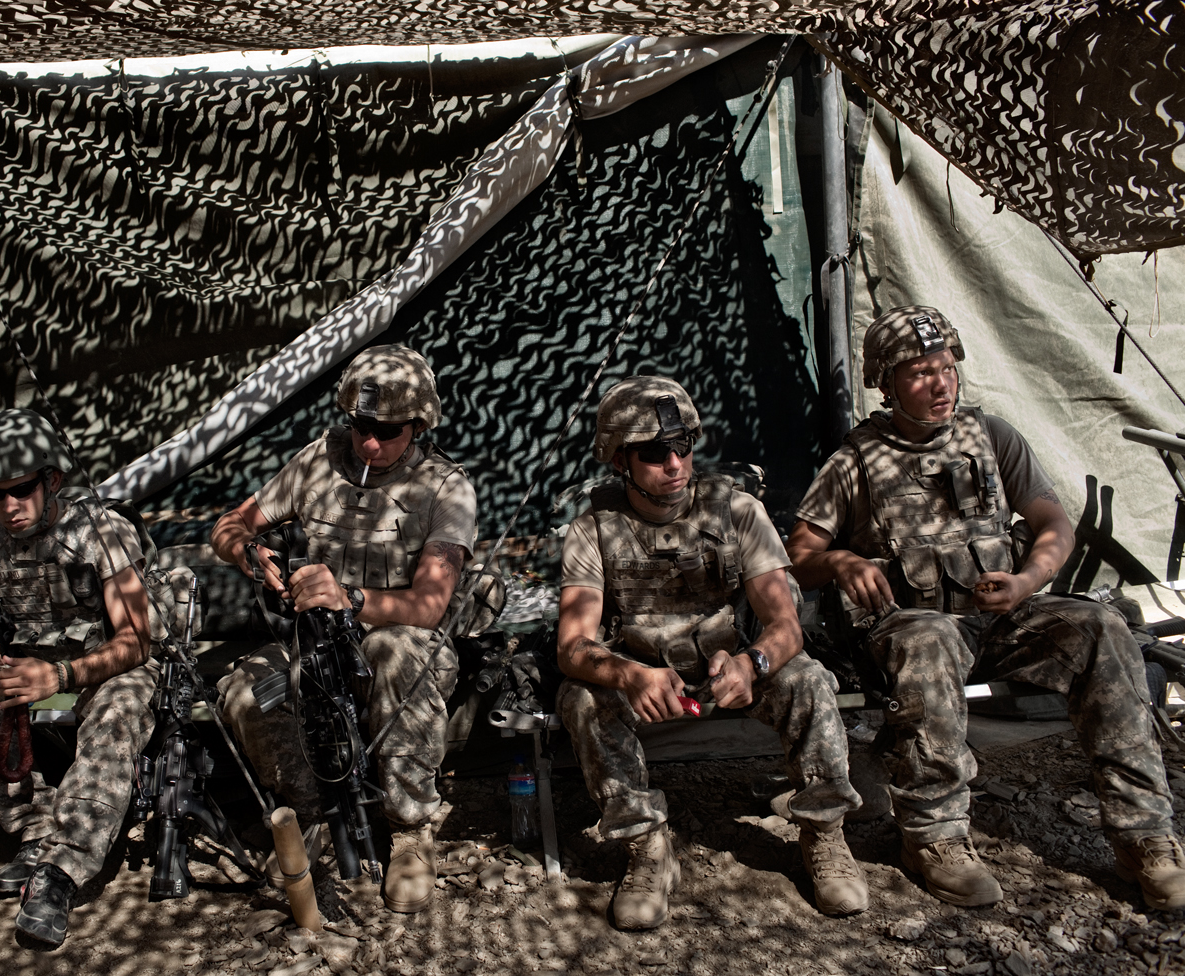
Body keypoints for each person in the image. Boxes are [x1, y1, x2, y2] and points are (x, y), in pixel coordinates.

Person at [787, 305, 1185, 909]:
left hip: (1001, 617)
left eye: (946, 367)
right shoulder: (856, 461)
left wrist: (1028, 580)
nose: (940, 383)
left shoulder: (992, 436)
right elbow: (800, 553)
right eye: (919, 372)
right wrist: (843, 563)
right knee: (930, 639)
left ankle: (1145, 839)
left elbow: (1052, 520)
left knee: (1101, 627)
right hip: (909, 629)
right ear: (886, 381)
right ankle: (934, 838)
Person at [556, 376, 868, 929]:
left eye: (683, 447)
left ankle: (824, 834)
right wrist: (630, 676)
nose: (675, 463)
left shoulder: (738, 511)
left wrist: (754, 663)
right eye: (655, 453)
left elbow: (784, 624)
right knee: (581, 695)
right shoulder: (593, 529)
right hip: (647, 681)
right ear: (619, 461)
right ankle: (647, 850)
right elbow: (573, 646)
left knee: (807, 678)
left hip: (731, 669)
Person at [212, 344, 479, 914]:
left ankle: (410, 830)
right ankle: (311, 813)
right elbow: (229, 524)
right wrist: (247, 550)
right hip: (315, 646)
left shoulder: (444, 487)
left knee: (394, 649)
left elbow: (430, 606)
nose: (371, 444)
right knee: (243, 691)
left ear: (418, 424)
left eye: (388, 431)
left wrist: (350, 597)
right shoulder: (317, 462)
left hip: (406, 644)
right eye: (361, 427)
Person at [0, 408, 156, 946]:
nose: (9, 507)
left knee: (121, 703)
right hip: (34, 673)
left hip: (101, 670)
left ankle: (62, 868)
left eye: (22, 490)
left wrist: (57, 675)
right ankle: (35, 831)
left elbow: (137, 643)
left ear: (52, 480)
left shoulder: (101, 532)